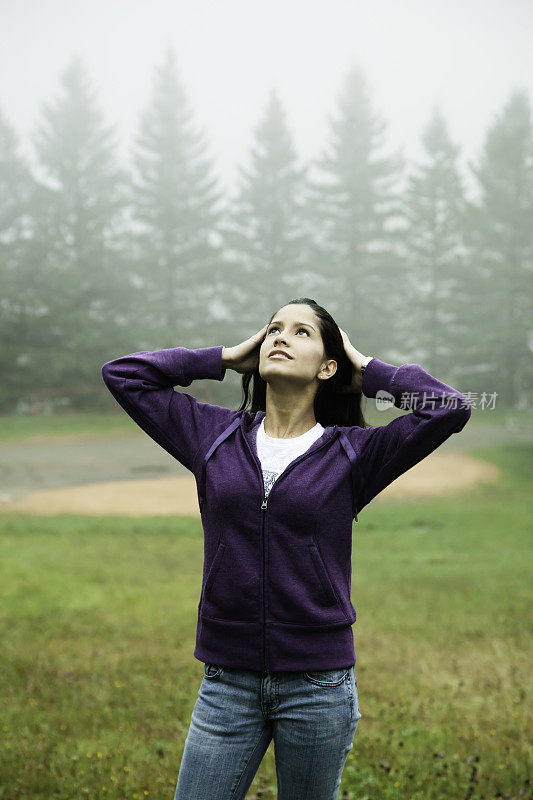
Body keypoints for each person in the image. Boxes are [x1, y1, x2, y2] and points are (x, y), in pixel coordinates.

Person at [101, 296, 472, 800]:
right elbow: (123, 375)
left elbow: (449, 407)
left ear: (328, 366)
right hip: (227, 683)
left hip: (318, 686)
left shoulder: (353, 453)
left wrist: (370, 371)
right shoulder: (212, 434)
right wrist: (224, 358)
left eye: (301, 332)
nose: (279, 336)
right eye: (274, 327)